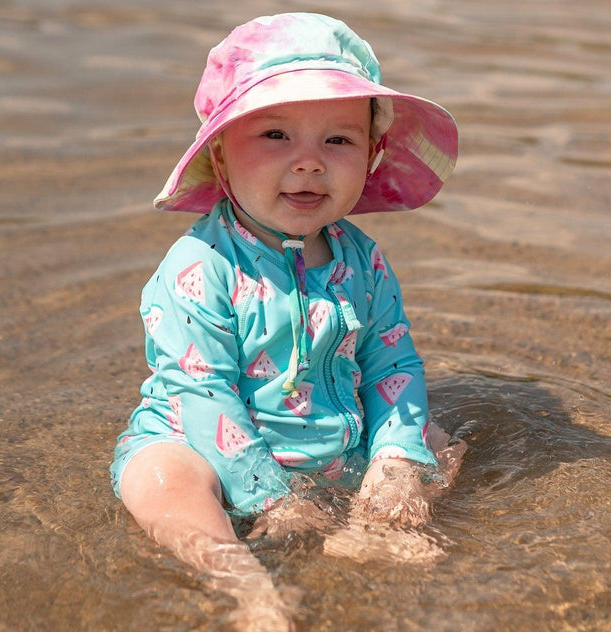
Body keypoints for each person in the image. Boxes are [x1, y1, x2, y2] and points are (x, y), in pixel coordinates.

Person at [110, 12, 464, 630]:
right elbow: (203, 391)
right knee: (162, 480)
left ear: (373, 154)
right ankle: (243, 583)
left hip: (333, 445)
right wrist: (269, 496)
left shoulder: (364, 259)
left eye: (338, 140)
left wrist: (395, 465)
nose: (308, 164)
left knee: (436, 438)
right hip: (208, 441)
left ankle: (379, 522)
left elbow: (393, 363)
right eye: (275, 135)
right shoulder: (201, 266)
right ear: (220, 153)